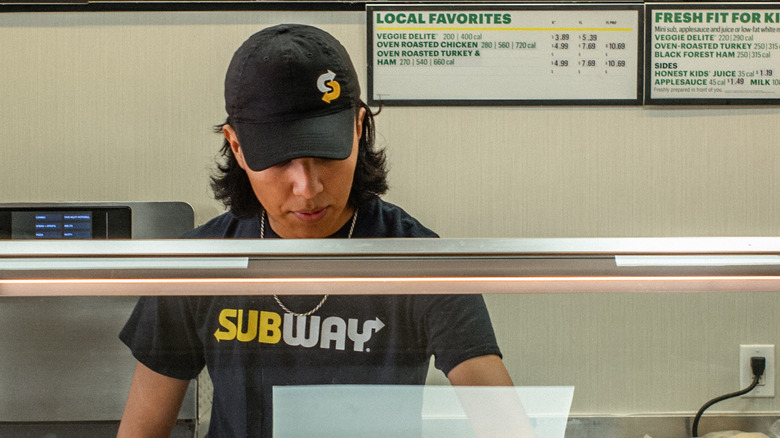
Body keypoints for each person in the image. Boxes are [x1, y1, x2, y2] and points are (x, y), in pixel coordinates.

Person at [117, 24, 516, 438]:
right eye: (279, 159)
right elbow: (142, 431)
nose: (308, 187)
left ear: (359, 128)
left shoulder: (419, 262)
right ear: (236, 146)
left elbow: (506, 426)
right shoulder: (199, 266)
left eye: (325, 154)